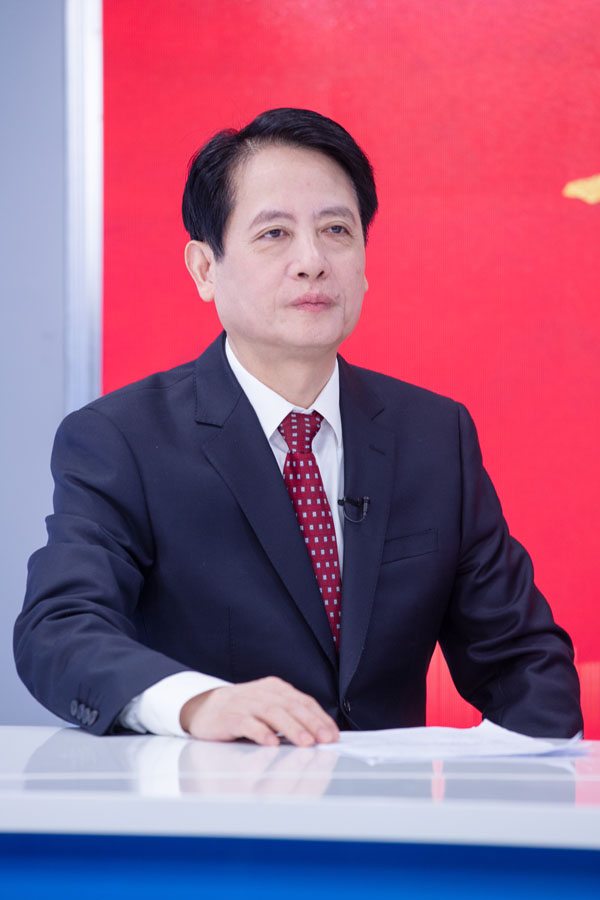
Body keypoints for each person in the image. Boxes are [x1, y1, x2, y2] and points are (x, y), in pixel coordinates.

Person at [14, 108, 582, 746]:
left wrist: (507, 784)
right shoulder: (122, 439)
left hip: (390, 807)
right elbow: (60, 628)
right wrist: (196, 703)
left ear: (363, 260)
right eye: (275, 233)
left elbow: (523, 665)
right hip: (210, 800)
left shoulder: (434, 435)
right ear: (204, 269)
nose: (312, 261)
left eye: (336, 230)